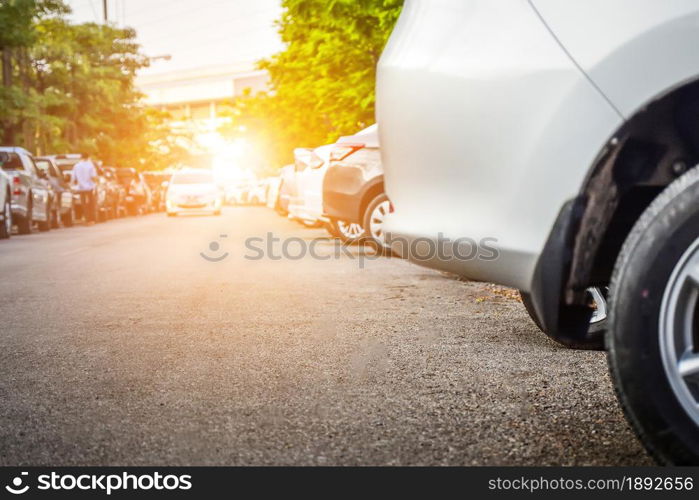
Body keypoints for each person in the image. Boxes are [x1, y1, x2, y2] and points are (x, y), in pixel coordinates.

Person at [71, 153, 98, 224]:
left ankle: (86, 219)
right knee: (91, 204)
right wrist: (96, 183)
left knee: (84, 204)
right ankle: (91, 219)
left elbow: (73, 178)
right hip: (90, 188)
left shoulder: (76, 166)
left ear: (81, 157)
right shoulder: (90, 165)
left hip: (81, 188)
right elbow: (93, 177)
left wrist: (73, 186)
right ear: (88, 157)